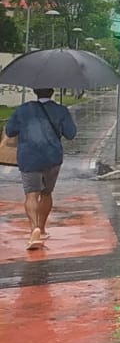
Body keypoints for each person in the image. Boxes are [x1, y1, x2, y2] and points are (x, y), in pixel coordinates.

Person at [5, 88, 78, 251]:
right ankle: (43, 229)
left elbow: (10, 131)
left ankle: (34, 230)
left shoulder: (23, 109)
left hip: (28, 157)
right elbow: (71, 134)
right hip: (52, 158)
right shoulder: (61, 110)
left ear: (35, 91)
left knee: (31, 194)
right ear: (52, 92)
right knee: (46, 193)